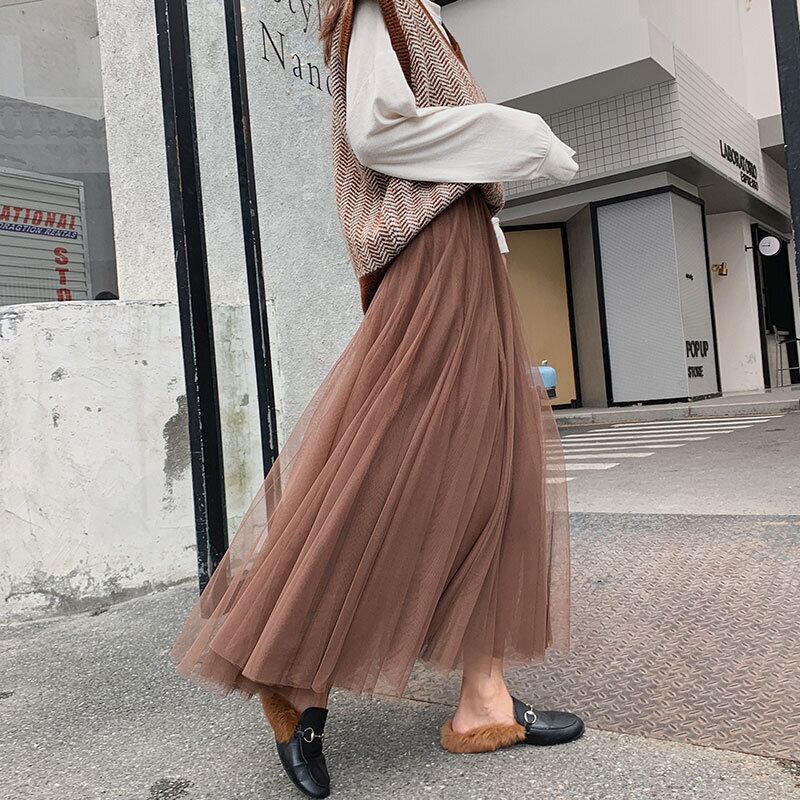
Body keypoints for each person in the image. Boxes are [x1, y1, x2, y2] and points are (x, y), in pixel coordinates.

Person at [171, 0, 582, 796]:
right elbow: (378, 131)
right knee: (401, 461)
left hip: (465, 251)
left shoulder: (418, 11)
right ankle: (293, 669)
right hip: (438, 256)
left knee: (486, 471)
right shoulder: (379, 7)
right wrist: (519, 135)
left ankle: (484, 698)